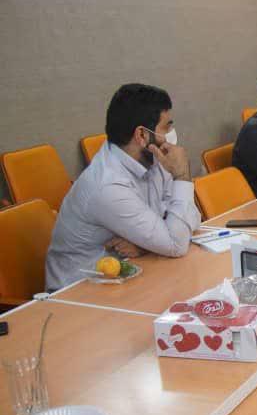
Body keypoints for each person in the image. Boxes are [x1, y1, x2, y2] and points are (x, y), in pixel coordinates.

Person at [45, 84, 201, 291]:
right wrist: (182, 176)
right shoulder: (108, 185)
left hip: (125, 275)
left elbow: (193, 218)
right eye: (166, 127)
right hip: (76, 292)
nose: (172, 134)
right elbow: (176, 243)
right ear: (142, 135)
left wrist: (146, 244)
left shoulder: (153, 158)